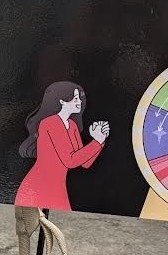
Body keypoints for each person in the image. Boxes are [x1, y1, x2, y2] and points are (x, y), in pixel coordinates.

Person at [15, 81, 109, 211]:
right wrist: (96, 142)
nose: (79, 102)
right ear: (62, 101)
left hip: (57, 188)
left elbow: (84, 163)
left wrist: (99, 140)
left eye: (79, 98)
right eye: (75, 98)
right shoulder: (50, 123)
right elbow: (69, 161)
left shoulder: (72, 125)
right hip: (37, 188)